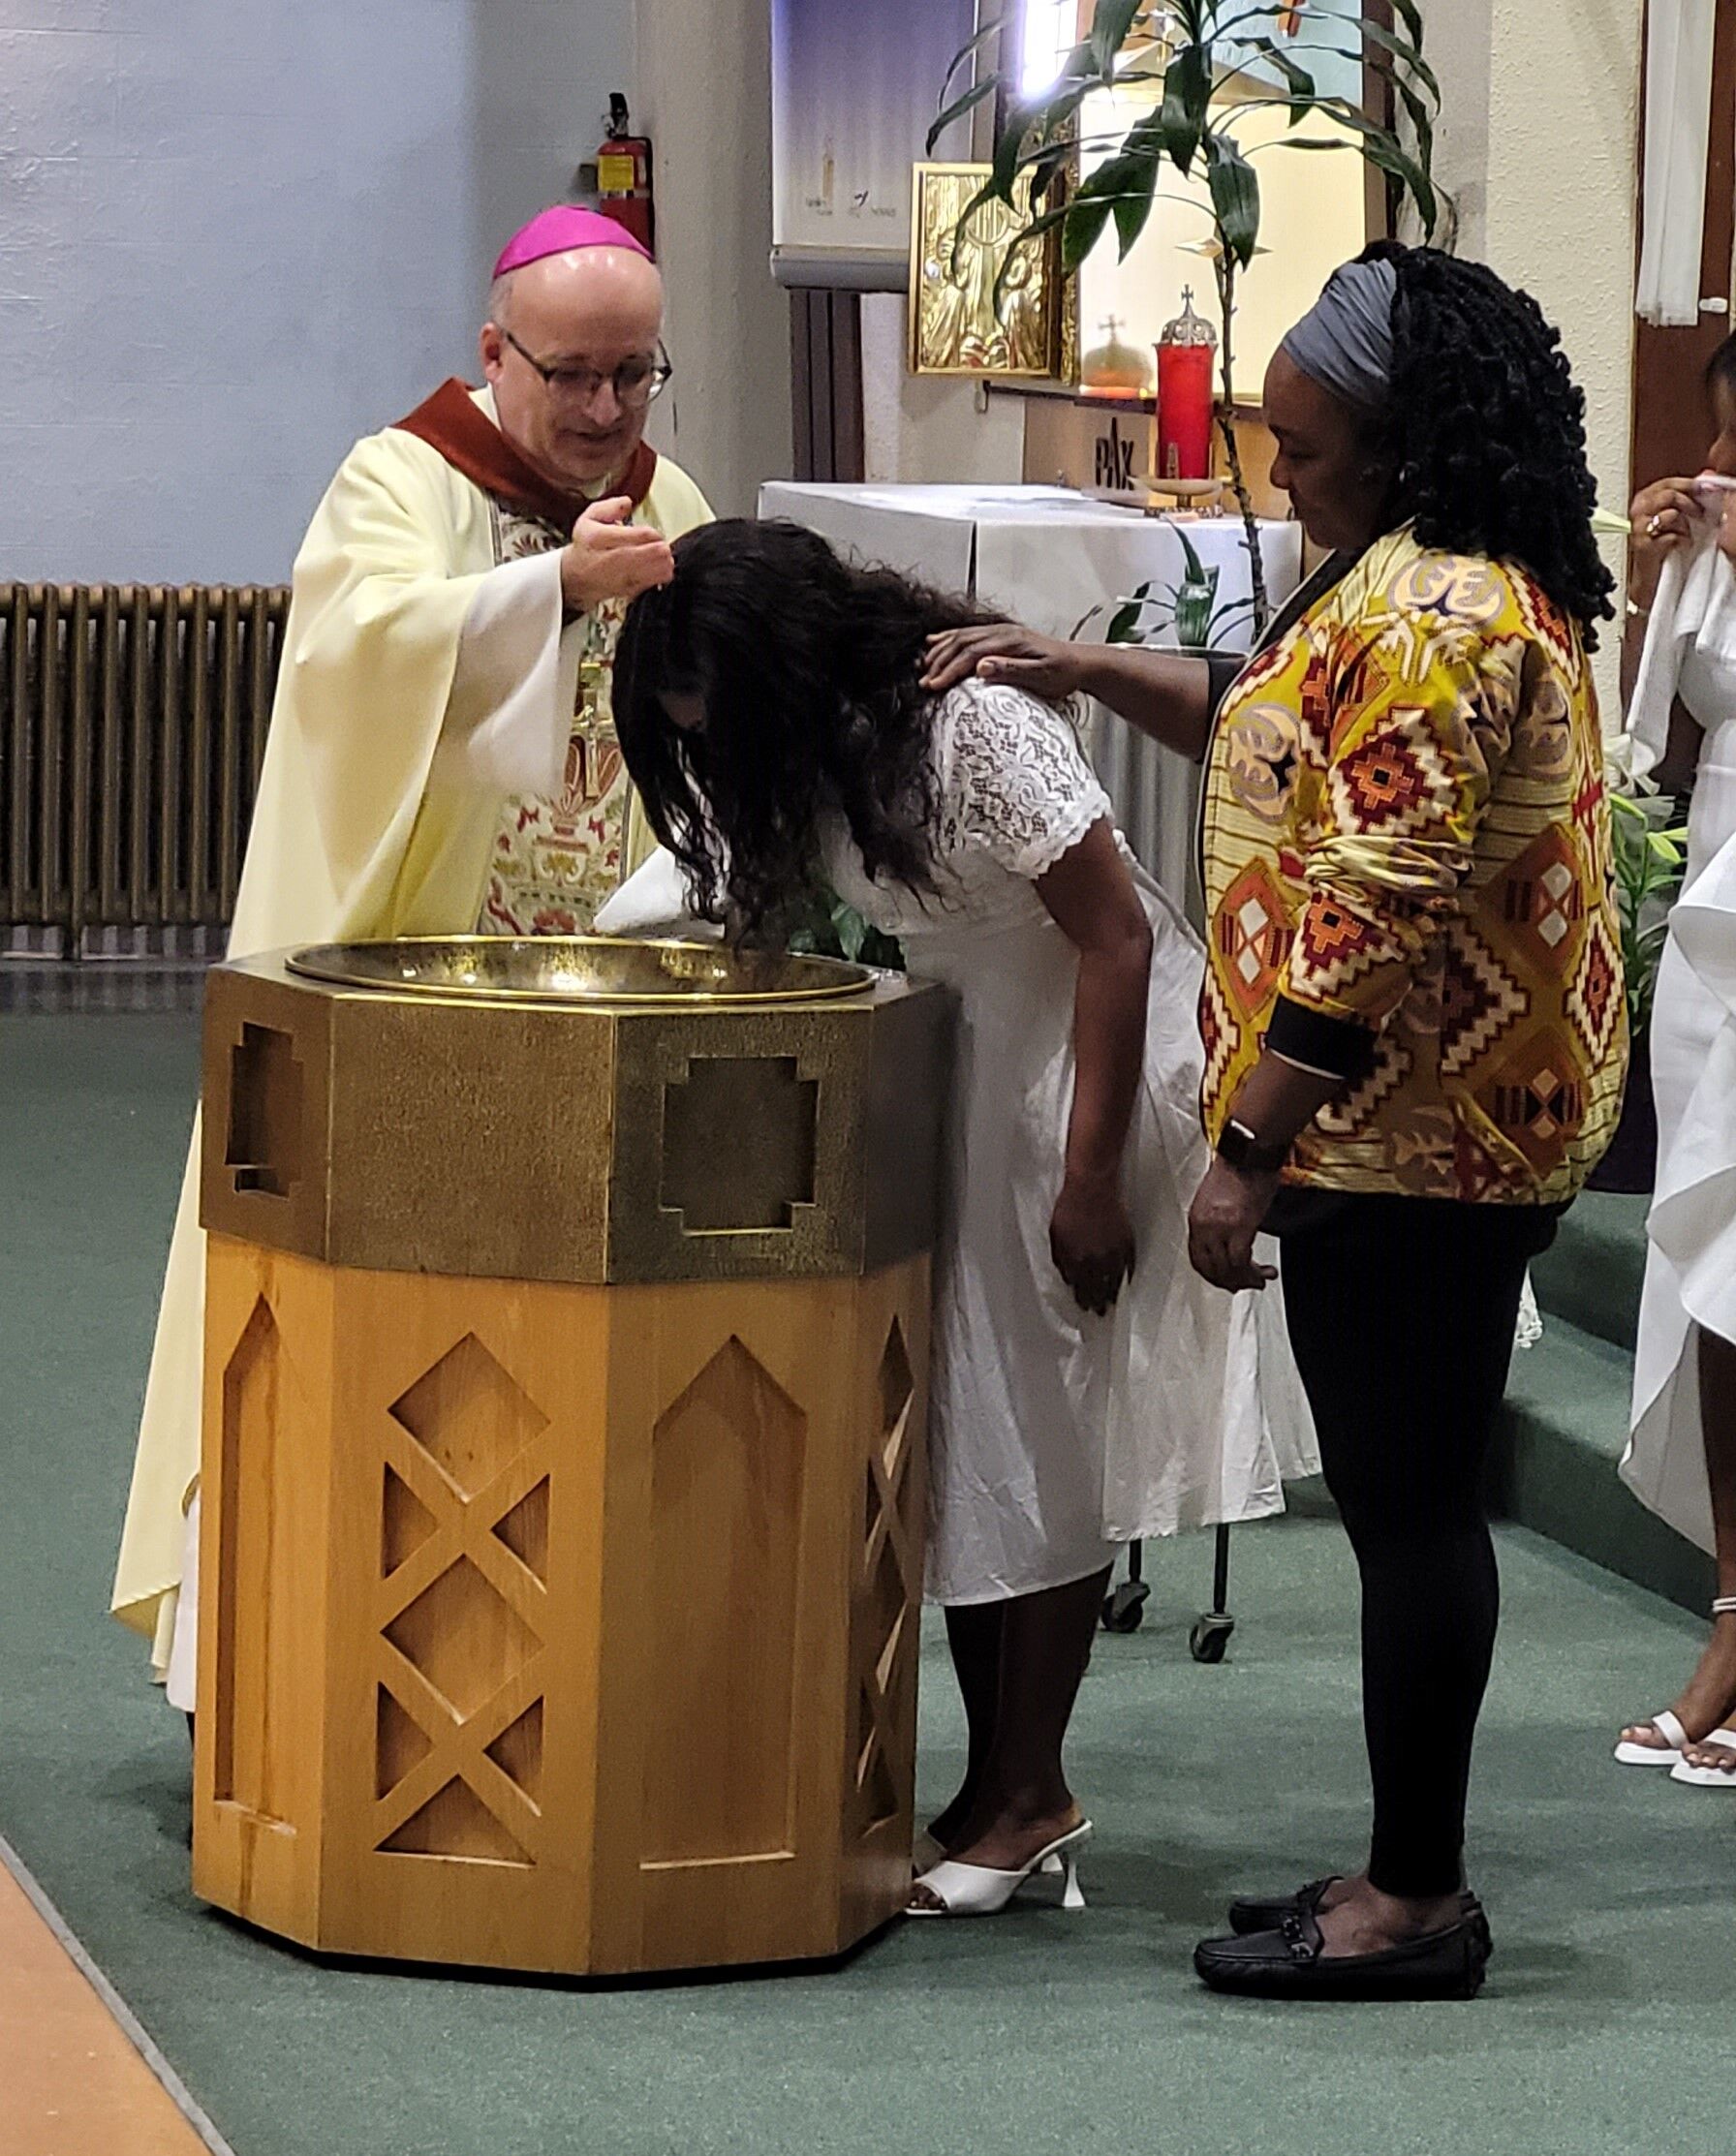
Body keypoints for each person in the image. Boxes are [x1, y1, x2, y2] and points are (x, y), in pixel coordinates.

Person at [925, 243, 1626, 1996]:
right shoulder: (1393, 575)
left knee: (1411, 1510)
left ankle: (1419, 1901)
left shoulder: (1437, 616)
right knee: (1404, 1495)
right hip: (1406, 1125)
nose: (1280, 476)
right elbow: (1268, 722)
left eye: (1303, 455)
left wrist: (1244, 1153)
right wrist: (1083, 673)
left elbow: (1375, 899)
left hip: (1427, 1137)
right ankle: (1403, 1864)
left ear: (1393, 446)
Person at [608, 519, 1312, 1921]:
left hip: (1080, 1078)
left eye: (717, 722)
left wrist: (1092, 1175)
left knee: (1040, 1424)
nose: (712, 755)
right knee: (972, 1427)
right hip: (970, 1068)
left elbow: (1112, 935)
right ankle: (993, 1779)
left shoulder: (972, 723)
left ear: (787, 668)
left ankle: (1030, 1791)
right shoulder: (824, 743)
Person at [111, 205, 713, 1707]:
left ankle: (535, 1681)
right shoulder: (400, 478)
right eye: (569, 374)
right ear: (492, 354)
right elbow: (352, 657)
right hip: (395, 996)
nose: (601, 414)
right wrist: (550, 595)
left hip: (600, 1004)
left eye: (635, 376)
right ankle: (290, 1683)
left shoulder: (670, 496)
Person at [1615, 336, 1736, 1786]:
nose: (1717, 472)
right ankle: (1729, 1614)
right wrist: (1670, 570)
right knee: (1716, 1257)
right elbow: (1673, 728)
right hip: (1721, 884)